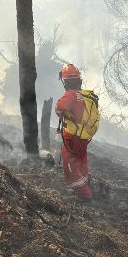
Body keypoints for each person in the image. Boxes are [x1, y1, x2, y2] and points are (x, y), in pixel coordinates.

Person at [55, 63, 98, 200]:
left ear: (66, 81)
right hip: (83, 137)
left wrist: (62, 113)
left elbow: (59, 107)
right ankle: (86, 185)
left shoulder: (70, 95)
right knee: (81, 162)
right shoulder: (83, 95)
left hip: (72, 137)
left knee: (70, 165)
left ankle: (84, 195)